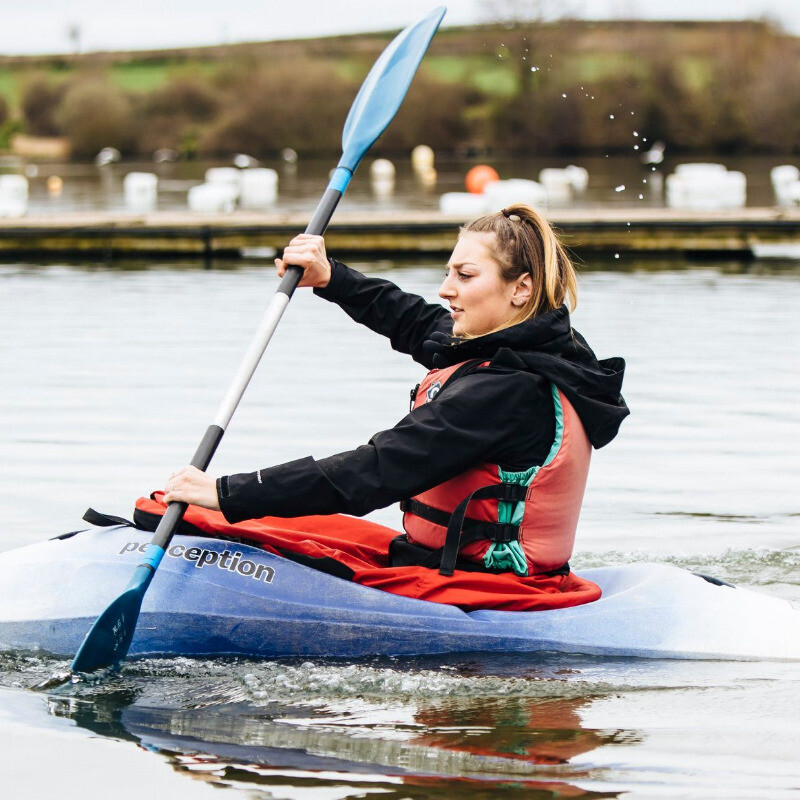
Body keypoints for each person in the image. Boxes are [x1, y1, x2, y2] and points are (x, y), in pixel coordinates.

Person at [161, 204, 628, 607]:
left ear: (520, 289)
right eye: (449, 272)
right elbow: (412, 319)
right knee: (185, 514)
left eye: (464, 276)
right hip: (443, 561)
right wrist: (331, 277)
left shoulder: (507, 392)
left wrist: (229, 492)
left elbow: (377, 469)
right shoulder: (542, 346)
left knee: (217, 515)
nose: (447, 289)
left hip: (485, 586)